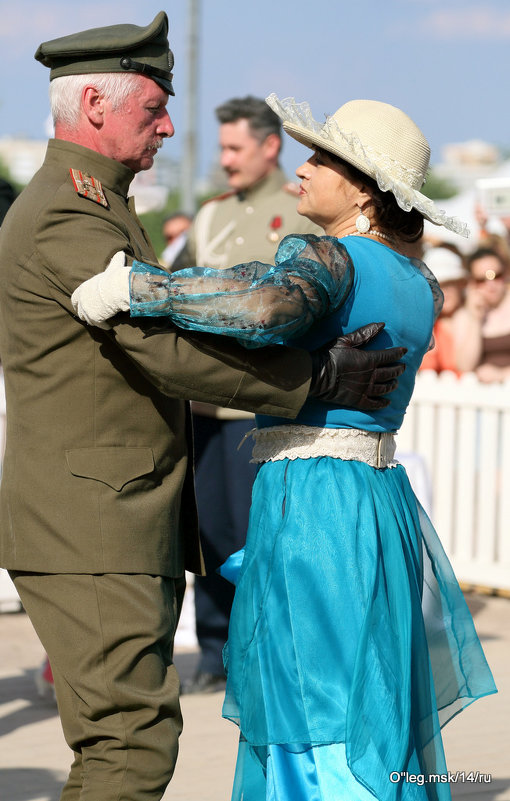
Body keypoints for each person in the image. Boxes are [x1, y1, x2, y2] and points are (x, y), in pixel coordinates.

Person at [0, 15, 406, 801]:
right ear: (93, 103)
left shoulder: (97, 204)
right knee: (131, 746)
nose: (166, 126)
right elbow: (162, 350)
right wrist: (317, 377)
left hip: (106, 516)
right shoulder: (67, 213)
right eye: (153, 108)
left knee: (132, 738)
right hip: (91, 524)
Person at [73, 93, 496, 801]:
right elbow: (267, 295)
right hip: (377, 498)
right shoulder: (420, 283)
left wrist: (138, 286)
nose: (301, 171)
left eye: (319, 159)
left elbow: (264, 305)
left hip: (314, 506)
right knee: (368, 691)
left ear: (361, 187)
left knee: (312, 696)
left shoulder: (329, 259)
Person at [174, 96, 322, 694]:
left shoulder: (302, 214)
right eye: (223, 148)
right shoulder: (210, 216)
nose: (226, 160)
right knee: (207, 532)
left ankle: (265, 655)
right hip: (203, 404)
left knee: (258, 535)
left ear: (270, 147)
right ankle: (214, 651)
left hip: (261, 407)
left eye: (235, 148)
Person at [454, 246, 510, 382]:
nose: (491, 285)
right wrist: (475, 319)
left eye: (496, 276)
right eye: (481, 280)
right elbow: (464, 366)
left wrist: (502, 374)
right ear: (472, 283)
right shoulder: (464, 315)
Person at [419, 245, 467, 375]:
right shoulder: (425, 324)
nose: (444, 292)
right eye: (437, 286)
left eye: (449, 283)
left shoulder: (472, 318)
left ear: (460, 285)